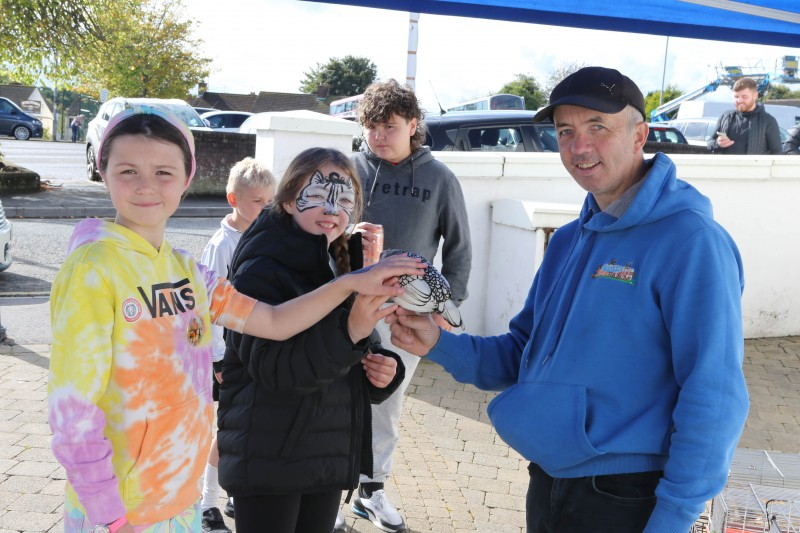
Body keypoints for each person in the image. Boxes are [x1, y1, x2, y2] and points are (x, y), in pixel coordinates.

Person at [388, 67, 749, 533]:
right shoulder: (569, 240)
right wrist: (439, 342)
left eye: (598, 127)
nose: (579, 147)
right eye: (565, 131)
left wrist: (674, 517)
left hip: (627, 493)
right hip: (550, 478)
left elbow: (714, 394)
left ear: (640, 134)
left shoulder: (692, 241)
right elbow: (522, 353)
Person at [47, 108, 424, 533]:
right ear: (103, 171)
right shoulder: (91, 270)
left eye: (164, 172)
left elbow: (275, 321)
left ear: (187, 178)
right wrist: (109, 514)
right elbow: (73, 413)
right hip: (119, 512)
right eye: (128, 170)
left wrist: (353, 283)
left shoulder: (188, 271)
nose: (147, 186)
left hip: (179, 501)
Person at [216, 147, 407, 533]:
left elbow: (358, 348)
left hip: (326, 453)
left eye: (345, 201)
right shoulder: (261, 267)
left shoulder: (341, 260)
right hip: (270, 457)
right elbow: (277, 372)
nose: (332, 209)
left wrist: (384, 371)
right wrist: (351, 331)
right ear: (288, 200)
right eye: (318, 196)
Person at [348, 78, 472, 532]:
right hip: (344, 305)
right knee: (333, 396)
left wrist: (444, 308)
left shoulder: (439, 178)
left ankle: (372, 491)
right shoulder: (351, 170)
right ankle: (325, 493)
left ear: (413, 125)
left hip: (405, 314)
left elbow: (459, 248)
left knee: (386, 402)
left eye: (389, 126)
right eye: (371, 127)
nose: (378, 136)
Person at [198, 157, 277, 532]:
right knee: (226, 430)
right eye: (258, 201)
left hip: (256, 353)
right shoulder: (221, 246)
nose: (266, 208)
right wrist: (217, 359)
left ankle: (231, 494)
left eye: (270, 201)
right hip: (227, 357)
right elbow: (207, 309)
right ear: (234, 199)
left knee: (246, 427)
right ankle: (206, 503)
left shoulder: (263, 236)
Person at [708, 77, 781, 154]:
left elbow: (777, 152)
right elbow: (709, 143)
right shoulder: (726, 117)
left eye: (744, 97)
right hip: (727, 165)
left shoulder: (768, 121)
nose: (739, 100)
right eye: (736, 97)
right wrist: (717, 143)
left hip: (755, 166)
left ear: (755, 96)